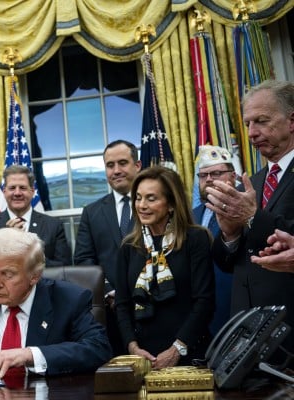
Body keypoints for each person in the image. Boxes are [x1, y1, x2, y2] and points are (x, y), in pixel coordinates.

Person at [0, 228, 112, 380]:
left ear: (34, 276)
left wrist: (28, 354)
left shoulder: (69, 299)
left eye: (8, 274)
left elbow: (98, 348)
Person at [205, 80, 294, 360]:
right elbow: (229, 263)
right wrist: (229, 235)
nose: (252, 133)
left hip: (290, 328)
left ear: (291, 121)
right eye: (247, 124)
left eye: (262, 121)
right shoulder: (251, 183)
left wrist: (252, 218)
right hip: (247, 334)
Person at [114, 166, 214, 369]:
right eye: (138, 197)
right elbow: (122, 305)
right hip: (143, 357)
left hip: (189, 352)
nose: (141, 205)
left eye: (151, 198)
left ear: (170, 204)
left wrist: (177, 349)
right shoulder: (129, 246)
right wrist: (132, 348)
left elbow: (205, 302)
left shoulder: (196, 238)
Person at [73, 139, 141, 356]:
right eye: (110, 165)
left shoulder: (156, 204)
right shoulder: (92, 212)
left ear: (137, 166)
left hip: (155, 309)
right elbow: (84, 261)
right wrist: (111, 293)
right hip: (111, 315)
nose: (116, 170)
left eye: (123, 163)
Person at [0, 165, 71, 267]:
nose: (17, 193)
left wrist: (32, 254)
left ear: (32, 192)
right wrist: (8, 241)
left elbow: (64, 267)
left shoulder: (54, 226)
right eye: (12, 188)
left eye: (23, 188)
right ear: (4, 192)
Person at [192, 145, 235, 336]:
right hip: (199, 308)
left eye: (216, 173)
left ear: (232, 176)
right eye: (203, 175)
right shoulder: (191, 216)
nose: (208, 179)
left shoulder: (244, 208)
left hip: (233, 301)